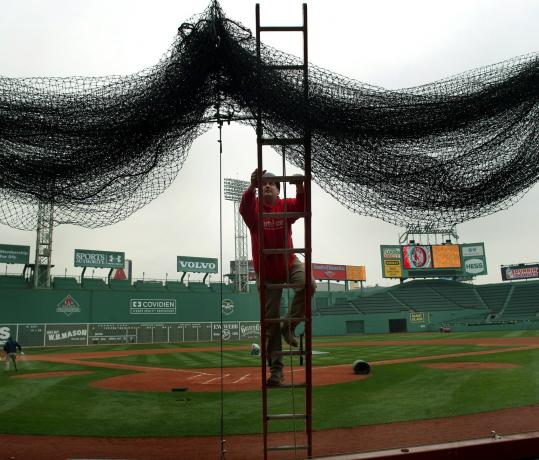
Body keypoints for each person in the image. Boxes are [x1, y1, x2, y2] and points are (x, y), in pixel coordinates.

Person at [240, 168, 315, 386]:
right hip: (266, 273)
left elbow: (302, 207)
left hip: (288, 262)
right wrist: (251, 187)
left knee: (308, 284)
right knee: (270, 321)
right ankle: (276, 372)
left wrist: (300, 186)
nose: (267, 185)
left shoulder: (284, 205)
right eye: (264, 183)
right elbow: (244, 208)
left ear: (278, 190)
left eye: (271, 183)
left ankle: (289, 326)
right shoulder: (255, 209)